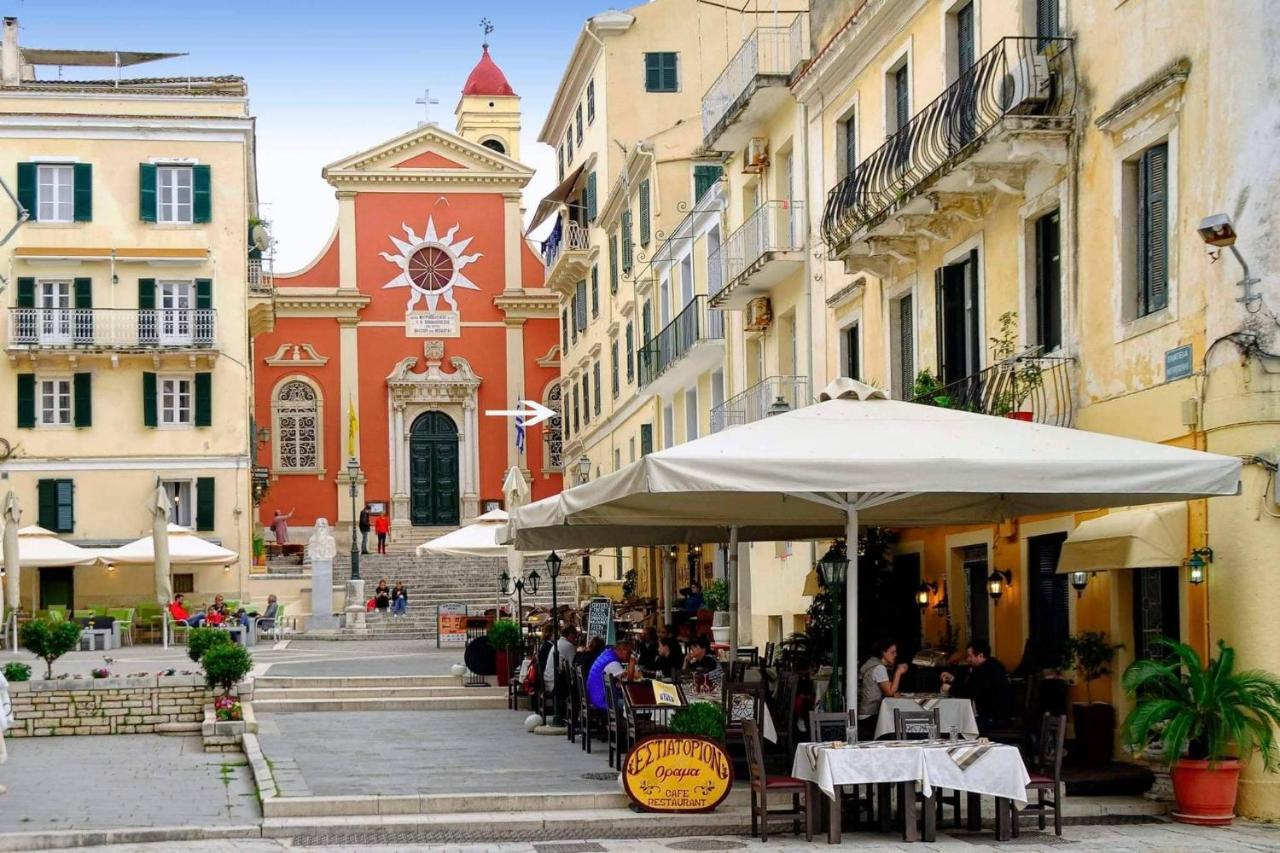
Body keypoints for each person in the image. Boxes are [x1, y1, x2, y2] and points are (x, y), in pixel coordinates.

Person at [941, 639, 1013, 730]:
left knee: (955, 724)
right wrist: (953, 679)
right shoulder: (993, 667)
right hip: (1001, 718)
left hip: (993, 720)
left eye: (970, 656)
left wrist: (950, 689)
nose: (968, 659)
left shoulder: (983, 671)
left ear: (980, 656)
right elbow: (971, 687)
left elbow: (968, 693)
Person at [857, 638, 908, 741]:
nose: (895, 655)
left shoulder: (870, 664)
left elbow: (888, 688)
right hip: (870, 715)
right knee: (893, 725)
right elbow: (889, 692)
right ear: (883, 653)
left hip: (863, 712)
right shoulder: (879, 668)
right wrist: (898, 672)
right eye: (892, 652)